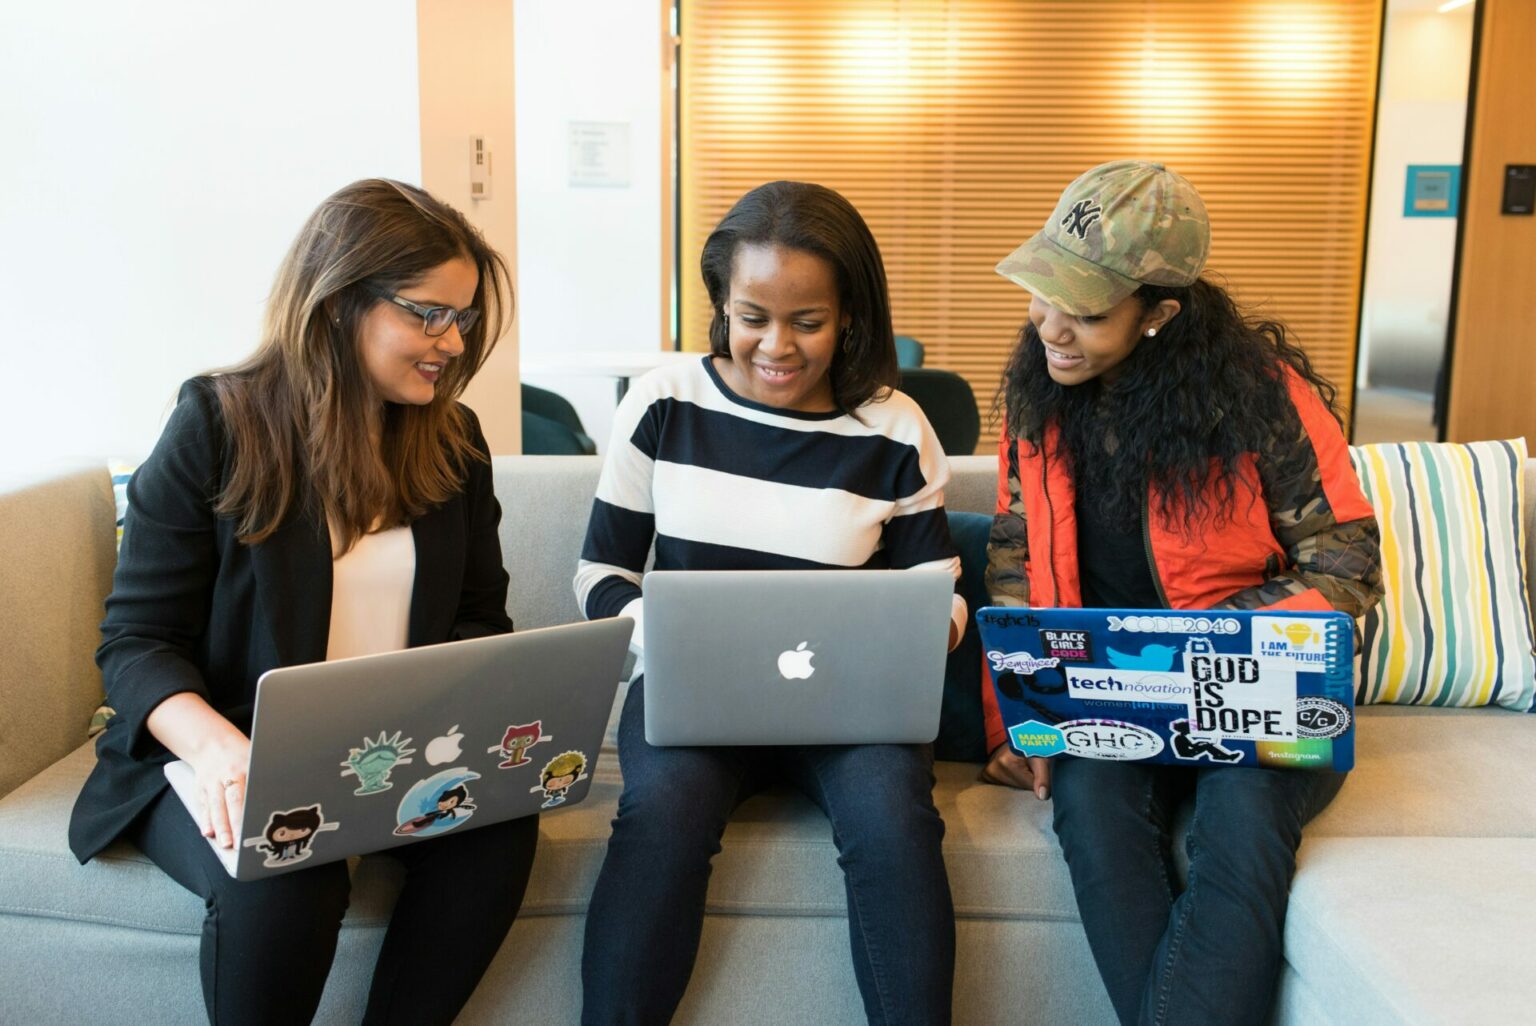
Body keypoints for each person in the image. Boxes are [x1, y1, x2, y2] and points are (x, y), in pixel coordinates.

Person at [67, 179, 537, 1026]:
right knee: (293, 864)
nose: (452, 341)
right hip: (221, 757)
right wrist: (220, 752)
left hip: (392, 756)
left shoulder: (454, 440)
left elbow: (479, 622)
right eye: (428, 313)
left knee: (497, 837)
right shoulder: (216, 423)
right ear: (339, 301)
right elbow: (135, 642)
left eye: (463, 318)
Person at [981, 160, 1383, 1026]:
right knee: (1090, 813)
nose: (1051, 325)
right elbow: (1015, 560)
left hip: (1263, 694)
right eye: (1043, 292)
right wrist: (1021, 721)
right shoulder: (1036, 399)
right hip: (1111, 696)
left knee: (1236, 831)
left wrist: (1205, 643)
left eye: (1085, 311)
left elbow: (1345, 562)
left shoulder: (1264, 401)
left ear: (1159, 314)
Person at [575, 180, 964, 1026]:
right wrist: (662, 635)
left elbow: (938, 586)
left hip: (852, 707)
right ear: (721, 305)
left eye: (808, 322)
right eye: (753, 316)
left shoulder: (895, 429)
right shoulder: (665, 402)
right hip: (693, 698)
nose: (776, 347)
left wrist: (929, 626)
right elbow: (601, 572)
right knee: (661, 815)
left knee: (895, 822)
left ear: (851, 314)